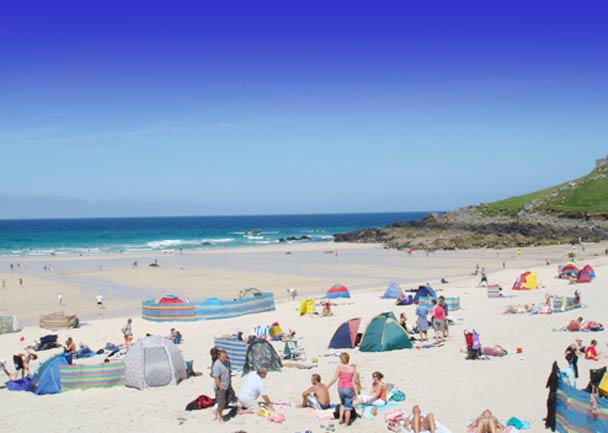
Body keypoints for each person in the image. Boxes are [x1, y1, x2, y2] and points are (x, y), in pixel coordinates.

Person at [327, 352, 360, 426]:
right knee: (348, 407)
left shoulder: (339, 367)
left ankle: (341, 418)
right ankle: (347, 422)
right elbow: (354, 382)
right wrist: (357, 394)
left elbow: (334, 379)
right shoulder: (352, 369)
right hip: (348, 388)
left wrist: (328, 386)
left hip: (340, 388)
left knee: (342, 403)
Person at [212, 350, 236, 422]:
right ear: (219, 357)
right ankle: (220, 416)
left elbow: (228, 373)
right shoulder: (217, 365)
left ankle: (217, 410)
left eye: (225, 357)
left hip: (227, 384)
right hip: (220, 387)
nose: (224, 358)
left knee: (228, 400)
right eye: (223, 357)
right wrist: (220, 387)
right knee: (221, 402)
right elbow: (216, 377)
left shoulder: (227, 362)